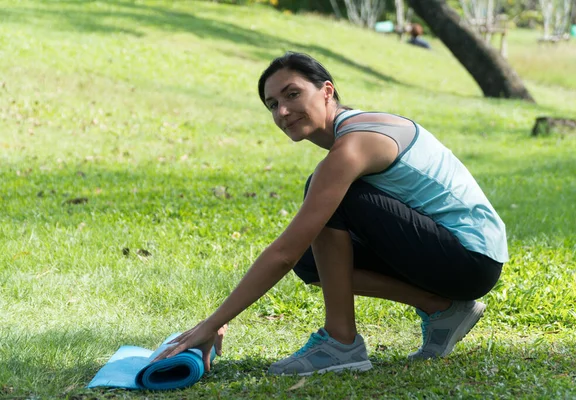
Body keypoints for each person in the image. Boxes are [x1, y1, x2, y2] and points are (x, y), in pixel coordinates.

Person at [154, 52, 508, 376]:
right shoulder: (352, 133)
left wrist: (212, 323)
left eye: (292, 95)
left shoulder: (354, 144)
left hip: (470, 257)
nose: (282, 112)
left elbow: (282, 252)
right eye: (272, 104)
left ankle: (341, 343)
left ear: (326, 91)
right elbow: (295, 255)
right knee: (312, 261)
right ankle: (442, 309)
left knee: (329, 197)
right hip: (460, 257)